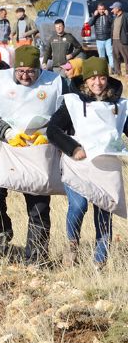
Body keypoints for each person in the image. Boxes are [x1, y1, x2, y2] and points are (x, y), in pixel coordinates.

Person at [0, 45, 65, 264]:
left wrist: (50, 133)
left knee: (38, 205)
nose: (25, 76)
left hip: (38, 151)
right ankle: (3, 229)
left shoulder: (55, 83)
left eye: (30, 72)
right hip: (5, 148)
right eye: (20, 71)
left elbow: (67, 112)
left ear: (39, 69)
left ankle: (36, 258)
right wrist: (6, 132)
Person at [47, 57, 128, 269]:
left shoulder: (119, 106)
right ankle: (72, 245)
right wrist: (73, 148)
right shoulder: (72, 102)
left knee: (104, 212)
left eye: (102, 78)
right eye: (93, 78)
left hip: (106, 168)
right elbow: (53, 130)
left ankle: (99, 264)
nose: (98, 83)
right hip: (78, 164)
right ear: (85, 80)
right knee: (78, 205)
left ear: (108, 79)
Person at [88, 2, 114, 72]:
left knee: (110, 54)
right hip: (99, 40)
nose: (101, 11)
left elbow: (113, 22)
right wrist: (94, 16)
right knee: (102, 56)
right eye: (100, 9)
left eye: (103, 9)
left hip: (108, 38)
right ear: (97, 9)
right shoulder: (95, 16)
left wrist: (108, 15)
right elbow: (89, 24)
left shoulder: (108, 15)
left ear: (105, 9)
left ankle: (112, 68)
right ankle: (103, 69)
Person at [111, 2, 128, 76]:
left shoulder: (126, 16)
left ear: (118, 8)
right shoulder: (115, 17)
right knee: (116, 57)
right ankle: (118, 73)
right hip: (115, 41)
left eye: (113, 9)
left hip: (123, 40)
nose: (112, 10)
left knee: (126, 57)